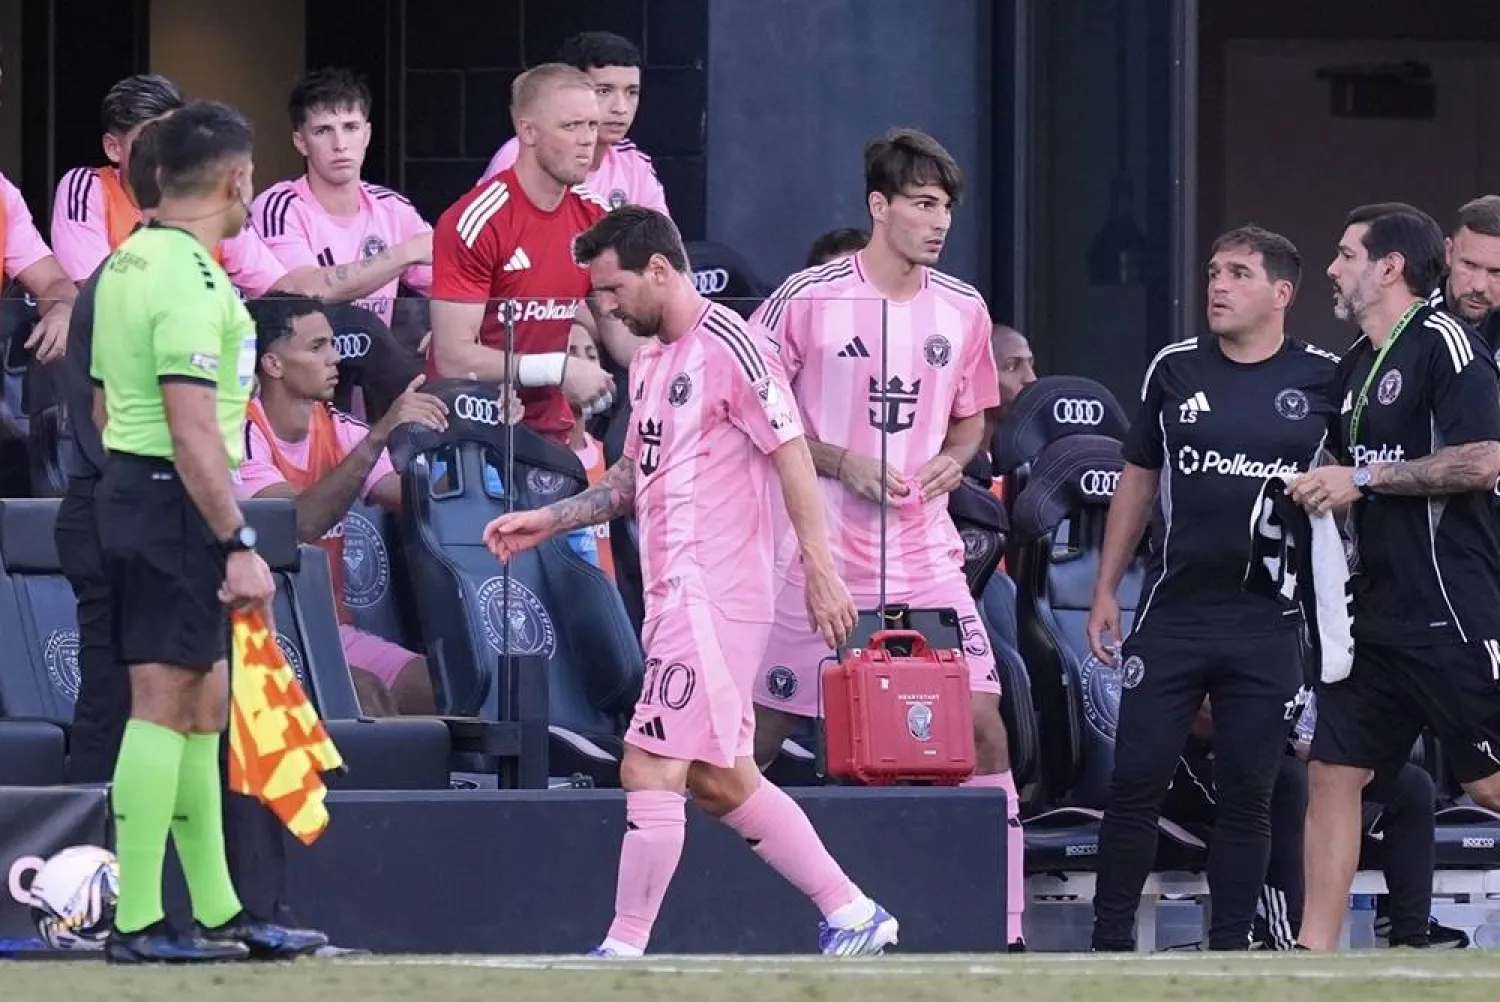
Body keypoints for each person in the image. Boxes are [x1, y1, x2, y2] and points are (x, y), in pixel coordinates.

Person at [483, 206, 897, 958]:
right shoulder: (649, 363)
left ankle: (622, 950)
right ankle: (852, 911)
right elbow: (634, 477)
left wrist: (822, 571)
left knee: (648, 762)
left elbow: (792, 454)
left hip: (718, 591)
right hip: (674, 589)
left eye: (611, 289)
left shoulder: (737, 346)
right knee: (717, 778)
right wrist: (549, 518)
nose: (604, 306)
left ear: (660, 271)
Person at [745, 128, 1024, 949]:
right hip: (815, 554)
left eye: (947, 209)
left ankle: (1005, 930)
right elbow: (756, 412)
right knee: (756, 736)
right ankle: (693, 903)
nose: (939, 224)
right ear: (880, 206)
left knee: (982, 725)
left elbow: (972, 419)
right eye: (923, 205)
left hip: (923, 552)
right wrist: (837, 460)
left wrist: (951, 461)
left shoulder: (964, 308)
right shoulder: (806, 298)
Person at [90, 100, 325, 963]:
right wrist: (235, 542)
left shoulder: (129, 262)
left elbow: (103, 399)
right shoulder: (189, 279)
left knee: (203, 701)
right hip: (172, 500)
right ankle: (141, 919)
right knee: (164, 702)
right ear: (237, 180)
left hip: (143, 489)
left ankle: (220, 910)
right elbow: (192, 429)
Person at [1083, 225, 1340, 951]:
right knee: (1134, 784)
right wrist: (1106, 587)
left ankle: (1229, 956)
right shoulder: (1175, 368)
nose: (1217, 286)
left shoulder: (1324, 377)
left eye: (1237, 273)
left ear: (1281, 293)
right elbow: (1138, 480)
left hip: (1268, 623)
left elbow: (1357, 486)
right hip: (1174, 617)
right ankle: (1107, 950)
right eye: (1213, 272)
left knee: (1249, 798)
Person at [1286, 203, 1500, 950]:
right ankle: (1311, 960)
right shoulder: (1352, 363)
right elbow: (1338, 473)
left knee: (1488, 785)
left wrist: (1364, 478)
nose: (1334, 268)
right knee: (1335, 772)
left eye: (1347, 254)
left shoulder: (1447, 343)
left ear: (1389, 267)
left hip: (1450, 608)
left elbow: (1483, 460)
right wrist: (1310, 487)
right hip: (1370, 617)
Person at [232, 294, 447, 715]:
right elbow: (297, 525)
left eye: (332, 344)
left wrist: (474, 440)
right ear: (272, 364)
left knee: (440, 688)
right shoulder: (241, 435)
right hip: (263, 633)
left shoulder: (338, 428)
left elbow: (417, 500)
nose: (335, 358)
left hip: (331, 630)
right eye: (317, 347)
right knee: (365, 696)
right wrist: (378, 436)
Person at [51, 73, 431, 302]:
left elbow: (283, 291)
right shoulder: (85, 187)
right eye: (148, 139)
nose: (164, 152)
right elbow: (101, 299)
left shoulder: (212, 202)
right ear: (112, 148)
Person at [429, 63, 619, 445]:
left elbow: (626, 337)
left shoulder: (596, 218)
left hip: (552, 435)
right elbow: (453, 358)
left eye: (592, 126)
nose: (588, 141)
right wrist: (558, 369)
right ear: (528, 131)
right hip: (471, 433)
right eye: (571, 126)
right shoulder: (477, 219)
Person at [252, 68, 433, 327]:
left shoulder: (393, 208)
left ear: (367, 135)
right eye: (323, 131)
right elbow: (308, 291)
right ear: (300, 142)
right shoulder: (278, 208)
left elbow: (451, 284)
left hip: (378, 363)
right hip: (306, 364)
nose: (340, 144)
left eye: (350, 127)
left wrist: (445, 332)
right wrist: (407, 252)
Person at [480, 31, 668, 217]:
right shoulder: (522, 153)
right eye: (603, 91)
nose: (621, 108)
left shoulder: (633, 163)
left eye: (631, 92)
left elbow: (662, 242)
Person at [565, 322, 615, 581]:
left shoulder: (615, 456)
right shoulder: (535, 458)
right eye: (571, 354)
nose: (583, 364)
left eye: (591, 355)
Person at [1427, 194, 1500, 360]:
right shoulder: (1408, 319)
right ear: (1448, 252)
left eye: (1496, 272)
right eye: (1469, 265)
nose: (1479, 286)